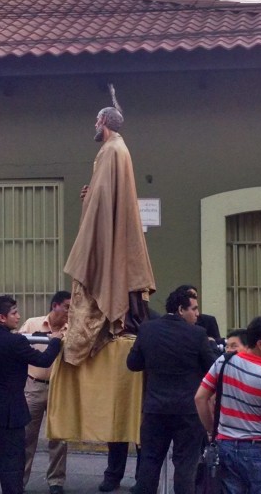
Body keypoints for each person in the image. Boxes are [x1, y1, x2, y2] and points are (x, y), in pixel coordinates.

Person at [62, 102, 156, 365]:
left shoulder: (110, 150)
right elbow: (103, 195)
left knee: (95, 268)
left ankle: (101, 326)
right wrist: (90, 195)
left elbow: (102, 200)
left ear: (103, 120)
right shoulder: (120, 149)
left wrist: (90, 200)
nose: (94, 125)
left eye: (96, 120)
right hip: (116, 227)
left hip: (108, 231)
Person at [0, 295, 64, 494]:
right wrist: (55, 341)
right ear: (2, 318)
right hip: (10, 414)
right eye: (14, 313)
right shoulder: (16, 342)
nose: (18, 317)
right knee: (11, 467)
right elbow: (44, 360)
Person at [127, 287, 218, 494]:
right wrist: (211, 347)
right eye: (194, 309)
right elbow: (211, 369)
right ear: (180, 309)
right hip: (188, 411)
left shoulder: (147, 329)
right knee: (186, 466)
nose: (197, 314)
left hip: (155, 408)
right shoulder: (198, 334)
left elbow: (133, 363)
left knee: (149, 463)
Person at [195, 316, 261, 492]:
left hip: (225, 448)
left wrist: (212, 430)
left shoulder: (224, 362)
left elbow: (200, 398)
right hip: (259, 452)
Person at [18, 291, 71, 494]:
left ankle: (56, 481)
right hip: (34, 385)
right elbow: (18, 347)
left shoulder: (72, 329)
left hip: (61, 388)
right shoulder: (33, 324)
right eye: (66, 307)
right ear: (55, 306)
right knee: (26, 436)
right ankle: (18, 481)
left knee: (59, 437)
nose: (69, 312)